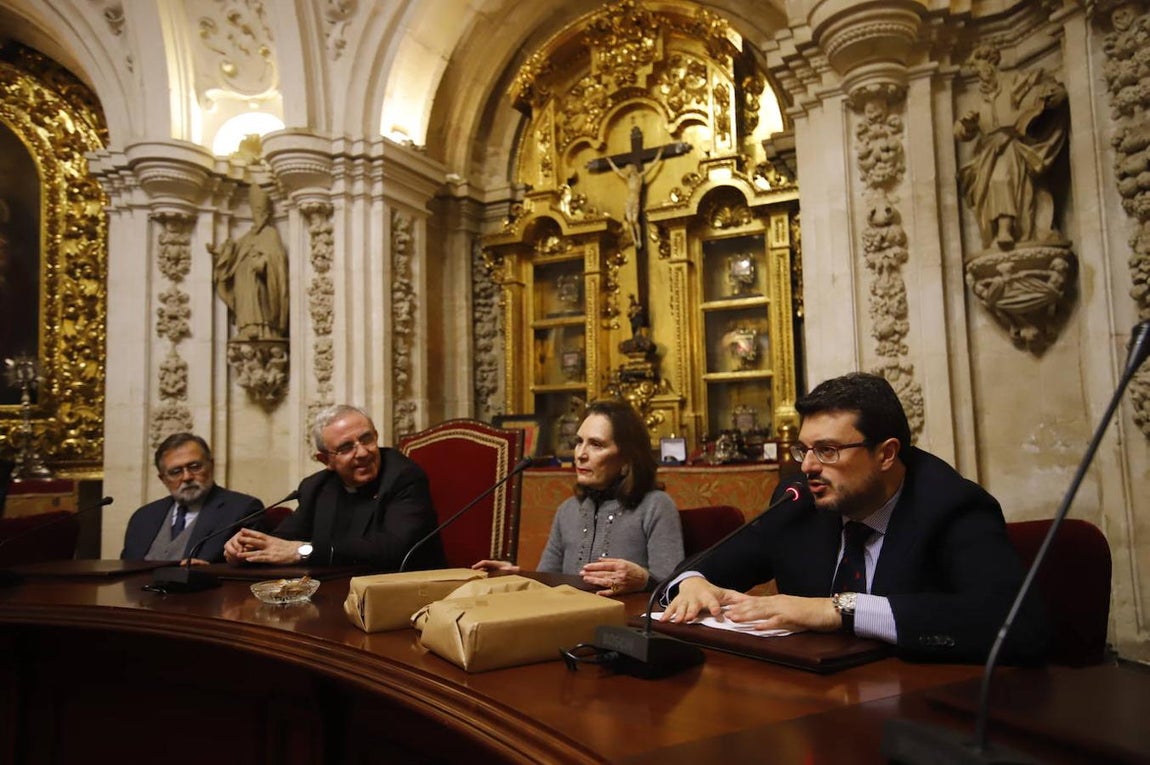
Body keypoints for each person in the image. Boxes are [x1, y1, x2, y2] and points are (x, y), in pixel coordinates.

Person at [661, 373, 1049, 664]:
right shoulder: (799, 503)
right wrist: (693, 583)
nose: (809, 467)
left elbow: (1015, 625)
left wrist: (838, 610)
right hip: (817, 702)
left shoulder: (951, 506)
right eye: (804, 450)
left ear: (885, 454)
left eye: (827, 450)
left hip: (920, 711)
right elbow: (701, 567)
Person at [474, 399, 684, 596]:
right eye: (578, 442)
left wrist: (643, 580)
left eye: (596, 444)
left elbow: (675, 587)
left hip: (625, 625)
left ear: (627, 457)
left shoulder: (656, 506)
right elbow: (546, 581)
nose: (580, 454)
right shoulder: (568, 510)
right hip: (568, 621)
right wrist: (515, 575)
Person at [223, 404, 445, 570]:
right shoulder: (316, 487)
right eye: (346, 447)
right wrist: (249, 549)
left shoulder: (403, 476)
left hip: (401, 594)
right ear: (325, 460)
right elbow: (283, 542)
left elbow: (394, 547)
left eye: (367, 439)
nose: (363, 452)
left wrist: (302, 551)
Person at [954, 45, 1068, 251]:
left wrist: (1046, 99)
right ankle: (998, 230)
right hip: (987, 151)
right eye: (976, 73)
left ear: (992, 64)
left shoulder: (1015, 82)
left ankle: (1006, 229)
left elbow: (1049, 91)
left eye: (982, 69)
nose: (981, 76)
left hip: (1012, 145)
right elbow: (960, 132)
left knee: (1002, 177)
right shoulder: (978, 98)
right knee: (988, 187)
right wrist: (966, 125)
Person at [121, 433, 263, 563]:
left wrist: (209, 574)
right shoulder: (143, 517)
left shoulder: (243, 510)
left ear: (211, 466)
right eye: (175, 472)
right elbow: (126, 567)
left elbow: (249, 569)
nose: (187, 477)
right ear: (163, 479)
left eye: (195, 467)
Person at [209, 184, 290, 340]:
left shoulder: (270, 233)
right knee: (245, 303)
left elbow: (278, 258)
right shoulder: (248, 235)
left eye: (262, 212)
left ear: (267, 214)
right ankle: (246, 327)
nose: (259, 215)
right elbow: (233, 250)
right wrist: (220, 251)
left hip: (258, 278)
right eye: (256, 212)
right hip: (243, 279)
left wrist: (264, 261)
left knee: (259, 300)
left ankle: (265, 329)